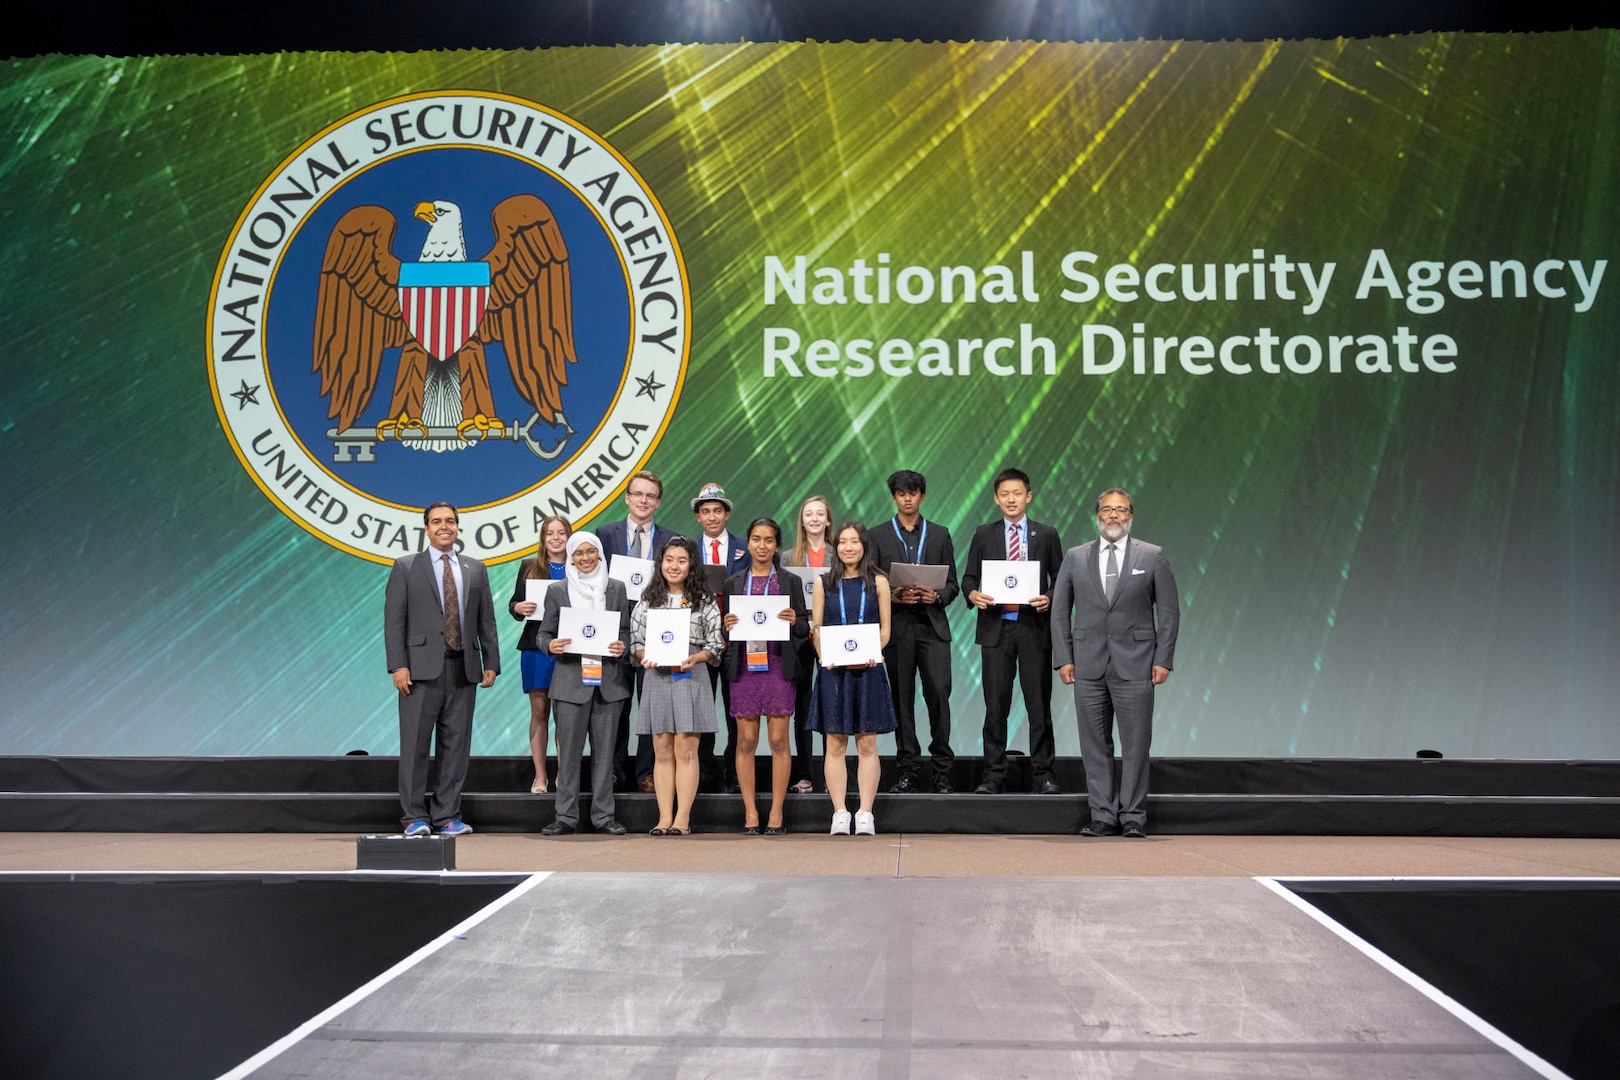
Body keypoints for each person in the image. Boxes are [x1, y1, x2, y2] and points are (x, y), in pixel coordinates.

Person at [1051, 488, 1180, 838]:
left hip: (1137, 664)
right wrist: (1063, 657)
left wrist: (1163, 658)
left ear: (1131, 517)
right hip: (1087, 664)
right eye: (1107, 510)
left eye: (1120, 510)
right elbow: (1060, 612)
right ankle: (1103, 816)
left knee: (1136, 745)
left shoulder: (1152, 556)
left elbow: (1168, 613)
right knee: (1094, 745)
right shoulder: (1076, 558)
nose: (1113, 515)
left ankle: (1134, 817)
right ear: (1097, 517)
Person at [383, 501, 499, 837]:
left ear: (458, 527)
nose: (444, 526)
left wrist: (491, 660)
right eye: (436, 522)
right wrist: (398, 666)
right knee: (415, 747)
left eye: (450, 521)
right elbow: (394, 622)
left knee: (456, 747)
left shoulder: (475, 568)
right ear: (426, 528)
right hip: (419, 671)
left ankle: (448, 815)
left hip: (463, 668)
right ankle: (414, 817)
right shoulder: (406, 567)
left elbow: (485, 620)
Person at [960, 467, 1064, 794]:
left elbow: (1061, 578)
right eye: (1004, 494)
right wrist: (972, 594)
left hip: (1033, 629)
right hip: (997, 630)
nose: (1010, 499)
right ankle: (993, 776)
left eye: (1016, 493)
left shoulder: (1046, 534)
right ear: (995, 498)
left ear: (1028, 496)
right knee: (996, 706)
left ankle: (1044, 775)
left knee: (1038, 706)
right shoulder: (984, 534)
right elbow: (968, 579)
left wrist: (1049, 597)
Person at [867, 470, 958, 794]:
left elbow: (953, 585)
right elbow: (870, 583)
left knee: (938, 695)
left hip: (932, 626)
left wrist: (938, 596)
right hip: (898, 628)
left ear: (922, 496)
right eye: (902, 493)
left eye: (913, 492)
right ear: (894, 497)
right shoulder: (877, 536)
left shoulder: (939, 534)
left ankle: (942, 771)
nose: (908, 498)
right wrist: (892, 595)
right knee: (901, 700)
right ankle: (908, 769)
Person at [535, 531, 632, 836]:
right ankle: (565, 817)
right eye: (579, 553)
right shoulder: (557, 590)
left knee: (605, 756)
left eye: (591, 552)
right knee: (570, 756)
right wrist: (550, 646)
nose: (586, 558)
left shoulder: (616, 588)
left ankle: (604, 817)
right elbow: (543, 634)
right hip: (569, 683)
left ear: (600, 554)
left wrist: (622, 646)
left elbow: (626, 631)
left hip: (609, 684)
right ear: (571, 557)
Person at [631, 536, 726, 835]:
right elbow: (636, 642)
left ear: (691, 566)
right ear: (660, 564)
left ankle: (682, 818)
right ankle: (663, 818)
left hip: (690, 675)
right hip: (657, 677)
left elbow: (716, 643)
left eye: (681, 561)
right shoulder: (648, 600)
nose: (674, 566)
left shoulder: (704, 600)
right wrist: (645, 657)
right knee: (661, 750)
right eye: (669, 560)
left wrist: (696, 656)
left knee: (686, 749)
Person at [722, 518, 810, 833]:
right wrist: (728, 624)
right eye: (757, 539)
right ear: (748, 543)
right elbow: (724, 629)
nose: (762, 546)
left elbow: (803, 627)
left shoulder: (789, 581)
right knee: (745, 740)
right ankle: (750, 814)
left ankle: (776, 813)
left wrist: (792, 620)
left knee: (777, 740)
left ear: (776, 545)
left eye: (769, 540)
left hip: (777, 665)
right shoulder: (733, 582)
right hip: (745, 667)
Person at [807, 523, 895, 835]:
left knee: (867, 742)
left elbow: (885, 630)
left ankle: (866, 813)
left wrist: (874, 649)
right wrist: (824, 653)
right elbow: (817, 628)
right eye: (842, 542)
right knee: (835, 742)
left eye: (854, 542)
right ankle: (840, 812)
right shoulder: (822, 583)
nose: (848, 547)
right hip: (834, 672)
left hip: (868, 669)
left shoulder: (880, 581)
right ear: (836, 548)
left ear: (864, 546)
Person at [596, 470, 674, 794]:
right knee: (616, 705)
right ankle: (613, 770)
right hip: (613, 632)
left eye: (650, 496)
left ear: (658, 501)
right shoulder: (605, 534)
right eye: (638, 494)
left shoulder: (670, 539)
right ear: (627, 498)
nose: (644, 501)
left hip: (654, 633)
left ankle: (647, 771)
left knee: (651, 707)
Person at [691, 482, 748, 793]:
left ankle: (735, 773)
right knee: (701, 709)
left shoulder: (745, 550)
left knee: (735, 710)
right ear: (698, 517)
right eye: (705, 511)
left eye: (717, 510)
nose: (712, 517)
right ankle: (703, 774)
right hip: (698, 644)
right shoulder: (686, 552)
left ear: (726, 514)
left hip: (735, 642)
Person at [508, 514, 570, 794]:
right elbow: (515, 604)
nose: (556, 538)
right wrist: (518, 608)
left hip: (570, 648)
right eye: (550, 533)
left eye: (561, 533)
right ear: (543, 539)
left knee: (565, 713)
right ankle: (541, 776)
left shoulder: (580, 567)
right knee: (540, 711)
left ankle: (564, 775)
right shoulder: (529, 567)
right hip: (536, 648)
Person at [784, 494, 833, 793]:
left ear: (828, 520)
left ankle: (830, 773)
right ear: (801, 521)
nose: (814, 519)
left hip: (831, 635)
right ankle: (804, 773)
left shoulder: (839, 554)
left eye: (820, 514)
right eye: (808, 514)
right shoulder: (788, 557)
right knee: (802, 704)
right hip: (800, 635)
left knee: (829, 703)